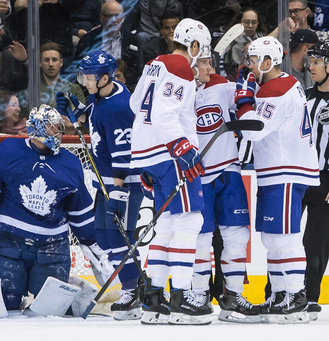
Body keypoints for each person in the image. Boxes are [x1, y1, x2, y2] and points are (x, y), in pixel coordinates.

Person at [0, 104, 96, 311]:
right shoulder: (8, 151)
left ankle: (71, 298)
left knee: (50, 311)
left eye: (59, 128)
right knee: (4, 306)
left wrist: (92, 242)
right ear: (37, 128)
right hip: (10, 241)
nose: (58, 132)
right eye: (52, 127)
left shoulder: (70, 163)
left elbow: (79, 208)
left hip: (53, 247)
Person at [129, 18, 213, 325]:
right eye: (201, 51)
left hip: (148, 153)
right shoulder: (180, 68)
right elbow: (165, 114)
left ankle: (153, 298)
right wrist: (184, 150)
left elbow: (136, 103)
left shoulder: (154, 64)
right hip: (170, 154)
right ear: (192, 46)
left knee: (165, 225)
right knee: (190, 221)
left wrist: (147, 152)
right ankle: (180, 297)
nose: (200, 57)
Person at [234, 36, 319, 323]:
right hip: (277, 170)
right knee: (272, 238)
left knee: (286, 238)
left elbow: (253, 130)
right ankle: (281, 294)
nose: (250, 66)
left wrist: (245, 99)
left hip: (285, 171)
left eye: (255, 60)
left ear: (269, 62)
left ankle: (296, 296)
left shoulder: (276, 89)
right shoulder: (283, 83)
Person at [56, 50, 144, 321]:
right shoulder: (102, 95)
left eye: (89, 77)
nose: (84, 81)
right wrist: (77, 113)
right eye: (83, 75)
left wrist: (118, 192)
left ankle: (134, 290)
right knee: (105, 237)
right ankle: (136, 285)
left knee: (119, 237)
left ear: (106, 77)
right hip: (106, 182)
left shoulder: (119, 109)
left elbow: (123, 154)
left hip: (122, 183)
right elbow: (95, 120)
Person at [190, 53, 259, 323]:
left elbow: (247, 103)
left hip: (228, 169)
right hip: (196, 173)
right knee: (198, 239)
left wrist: (248, 82)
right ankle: (197, 295)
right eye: (202, 63)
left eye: (209, 62)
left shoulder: (222, 86)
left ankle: (232, 296)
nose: (209, 67)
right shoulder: (179, 92)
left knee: (237, 237)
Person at [302, 41, 329, 321]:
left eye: (317, 62)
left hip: (325, 182)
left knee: (316, 243)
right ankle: (280, 293)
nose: (311, 67)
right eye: (310, 62)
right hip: (298, 177)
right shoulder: (304, 97)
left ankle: (310, 297)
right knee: (283, 239)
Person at [16, 42, 86, 134]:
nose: (51, 64)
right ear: (40, 63)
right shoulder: (32, 89)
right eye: (46, 60)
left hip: (68, 139)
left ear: (61, 62)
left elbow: (82, 120)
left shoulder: (74, 89)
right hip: (38, 139)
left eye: (54, 60)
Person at [73, 0, 139, 88]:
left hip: (123, 86)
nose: (114, 20)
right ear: (101, 18)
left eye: (117, 16)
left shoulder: (131, 39)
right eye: (109, 16)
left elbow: (135, 69)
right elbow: (79, 67)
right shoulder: (88, 40)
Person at [223, 7, 267, 81]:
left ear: (258, 23)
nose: (250, 26)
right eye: (246, 22)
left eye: (254, 22)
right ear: (240, 22)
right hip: (237, 79)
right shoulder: (233, 40)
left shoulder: (262, 37)